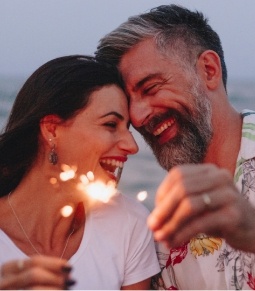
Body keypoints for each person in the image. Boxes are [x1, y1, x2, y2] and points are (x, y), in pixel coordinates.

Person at [95, 4, 255, 290]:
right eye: (130, 102)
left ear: (209, 70)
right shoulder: (161, 235)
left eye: (151, 88)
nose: (139, 116)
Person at [0, 55, 160, 290]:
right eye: (110, 125)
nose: (132, 146)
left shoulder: (127, 223)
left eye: (127, 129)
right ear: (52, 129)